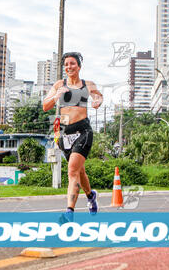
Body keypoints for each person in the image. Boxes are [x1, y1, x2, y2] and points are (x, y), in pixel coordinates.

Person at [43, 52, 103, 220]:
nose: (69, 67)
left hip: (83, 131)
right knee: (80, 172)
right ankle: (91, 196)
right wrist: (56, 95)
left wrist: (97, 101)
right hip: (63, 133)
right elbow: (45, 106)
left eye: (72, 64)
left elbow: (98, 96)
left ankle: (69, 212)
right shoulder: (59, 84)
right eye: (66, 64)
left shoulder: (87, 84)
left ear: (79, 66)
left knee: (72, 171)